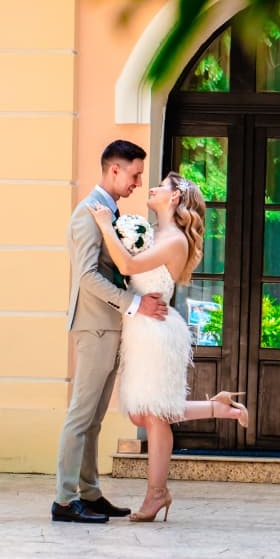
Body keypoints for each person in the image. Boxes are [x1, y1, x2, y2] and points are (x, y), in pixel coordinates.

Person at [87, 171, 249, 522]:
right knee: (142, 412)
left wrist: (103, 225)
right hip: (141, 327)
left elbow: (128, 265)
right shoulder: (157, 233)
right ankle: (218, 407)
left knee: (156, 416)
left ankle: (157, 494)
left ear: (174, 198)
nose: (154, 188)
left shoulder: (174, 239)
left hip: (156, 331)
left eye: (163, 186)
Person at [53, 139, 169, 524]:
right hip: (94, 327)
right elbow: (87, 276)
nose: (138, 182)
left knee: (95, 419)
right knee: (80, 415)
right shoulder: (88, 214)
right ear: (114, 170)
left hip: (108, 327)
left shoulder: (110, 212)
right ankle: (65, 500)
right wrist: (134, 304)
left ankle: (90, 492)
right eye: (135, 174)